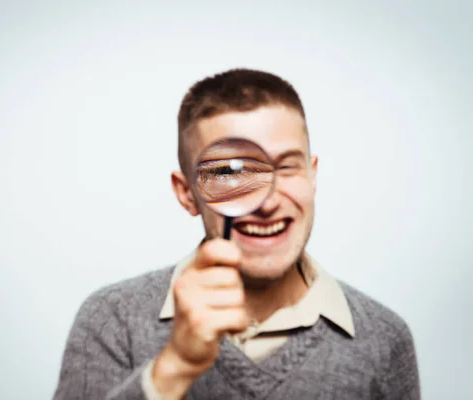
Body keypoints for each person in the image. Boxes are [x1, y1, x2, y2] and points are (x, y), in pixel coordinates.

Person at [52, 68, 421, 399]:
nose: (266, 202)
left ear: (313, 175)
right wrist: (175, 366)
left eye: (286, 167)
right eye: (230, 174)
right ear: (187, 194)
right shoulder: (112, 319)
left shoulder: (384, 338)